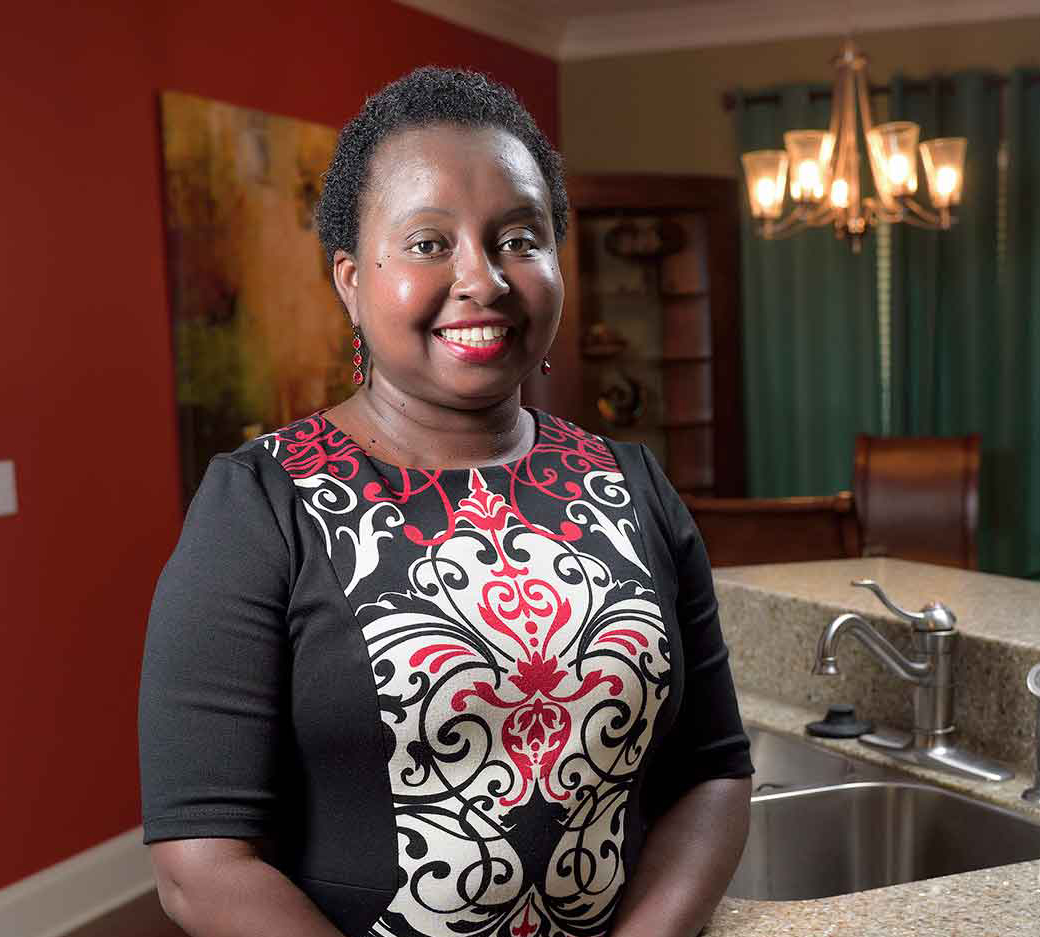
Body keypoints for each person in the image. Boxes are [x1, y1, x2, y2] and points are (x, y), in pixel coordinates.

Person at [138, 66, 753, 937]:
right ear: (350, 280)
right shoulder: (260, 506)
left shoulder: (633, 484)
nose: (485, 279)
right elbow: (199, 867)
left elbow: (713, 771)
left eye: (519, 238)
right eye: (429, 242)